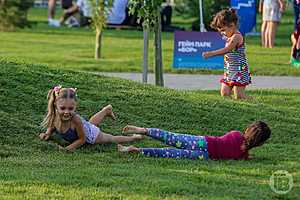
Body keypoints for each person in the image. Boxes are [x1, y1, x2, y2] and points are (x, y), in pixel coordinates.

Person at [39, 86, 143, 151]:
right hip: (86, 127)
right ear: (55, 105)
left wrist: (67, 149)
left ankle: (134, 137)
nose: (66, 112)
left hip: (91, 135)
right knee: (90, 124)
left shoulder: (76, 120)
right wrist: (48, 133)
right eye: (63, 108)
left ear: (75, 106)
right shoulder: (54, 115)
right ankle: (106, 111)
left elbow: (82, 139)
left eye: (71, 108)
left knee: (111, 138)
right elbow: (53, 125)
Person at [118, 121, 271, 160]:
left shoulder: (236, 134)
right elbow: (244, 153)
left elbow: (224, 141)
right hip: (204, 156)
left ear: (248, 130)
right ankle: (137, 150)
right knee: (170, 153)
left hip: (203, 142)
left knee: (171, 137)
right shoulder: (242, 156)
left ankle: (143, 130)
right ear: (260, 143)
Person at [202, 9, 251, 99]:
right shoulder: (229, 36)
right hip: (230, 70)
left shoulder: (237, 36)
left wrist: (211, 53)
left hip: (239, 70)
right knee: (224, 93)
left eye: (223, 30)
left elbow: (227, 50)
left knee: (239, 96)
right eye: (220, 31)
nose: (222, 33)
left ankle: (254, 103)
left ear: (232, 25)